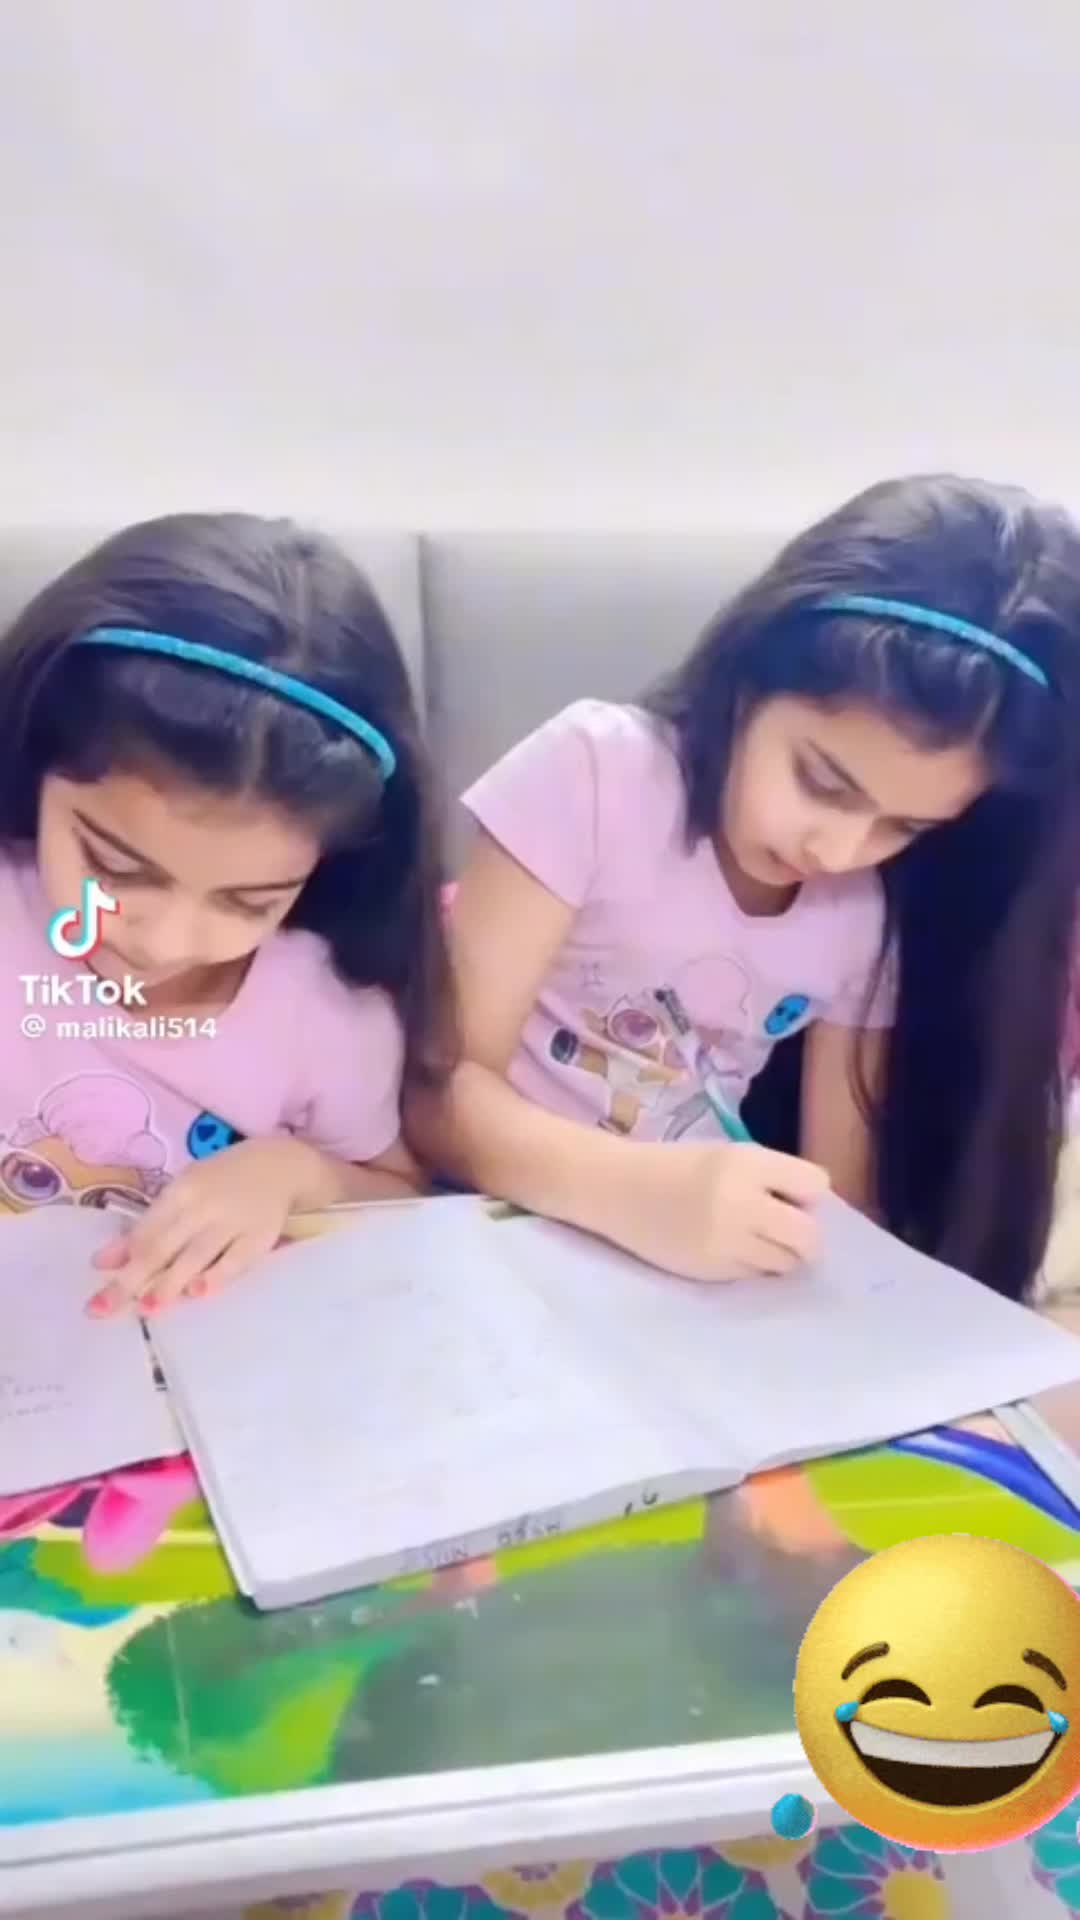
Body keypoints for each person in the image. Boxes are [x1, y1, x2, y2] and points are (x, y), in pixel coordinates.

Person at [410, 475, 1080, 1301]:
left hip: (683, 1274)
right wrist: (631, 1192)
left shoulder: (862, 909)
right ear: (748, 678)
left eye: (905, 827)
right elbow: (437, 1093)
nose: (840, 850)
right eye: (822, 782)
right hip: (490, 1219)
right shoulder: (598, 772)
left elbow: (841, 1195)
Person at [0, 513, 453, 1313]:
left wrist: (292, 1173)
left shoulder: (326, 1012)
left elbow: (402, 1195)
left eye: (250, 902)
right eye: (115, 868)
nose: (164, 941)